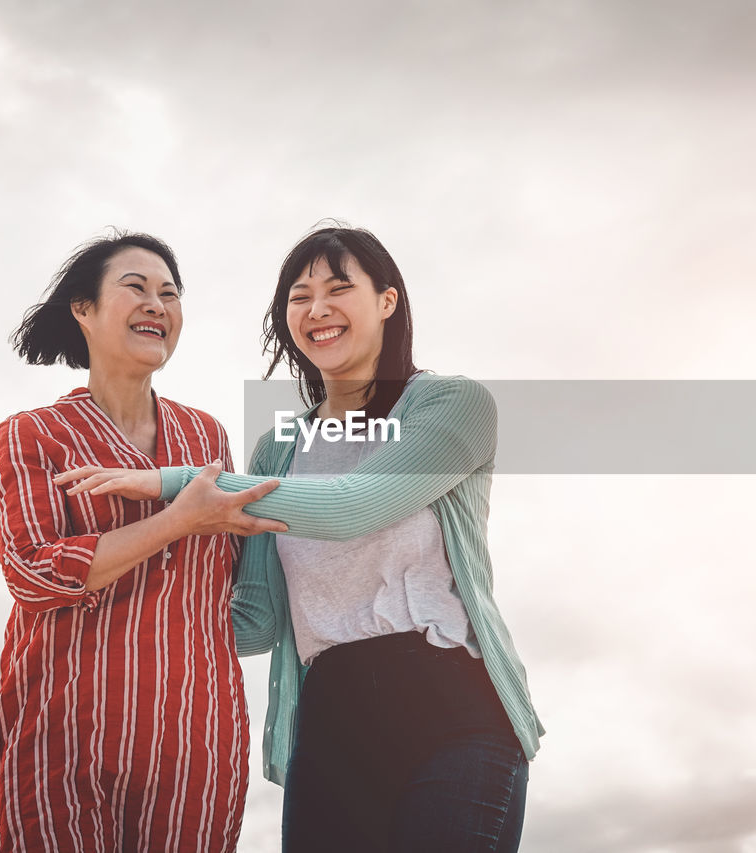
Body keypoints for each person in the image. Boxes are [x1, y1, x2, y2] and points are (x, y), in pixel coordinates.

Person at [58, 226, 544, 853]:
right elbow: (256, 619)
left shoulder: (449, 405)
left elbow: (353, 506)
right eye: (299, 296)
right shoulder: (278, 448)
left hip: (450, 707)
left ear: (387, 302)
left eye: (339, 289)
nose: (317, 310)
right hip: (329, 719)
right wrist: (101, 601)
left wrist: (173, 484)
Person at [0, 232, 286, 853]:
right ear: (82, 311)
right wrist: (177, 520)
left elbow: (231, 588)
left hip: (197, 737)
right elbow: (35, 573)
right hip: (64, 735)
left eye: (170, 294)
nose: (158, 305)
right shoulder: (33, 435)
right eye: (136, 288)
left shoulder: (206, 437)